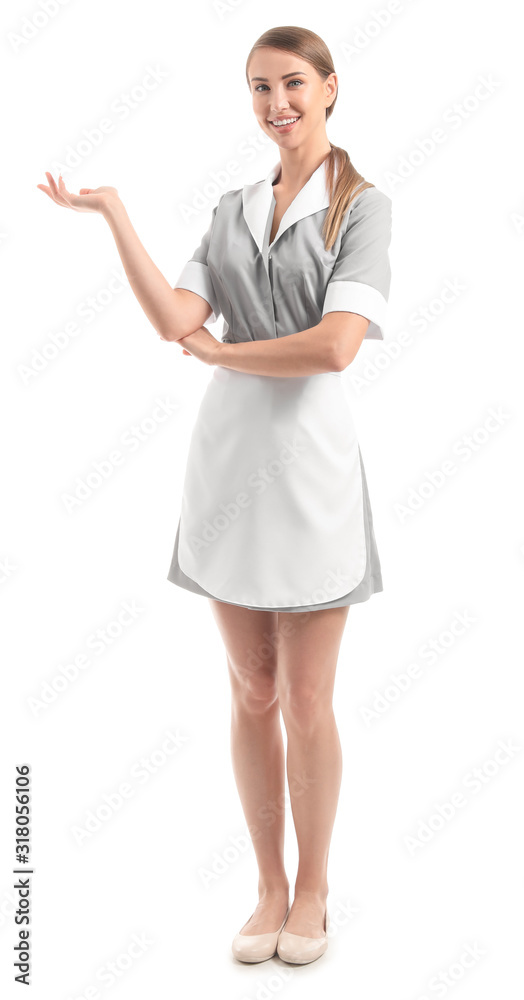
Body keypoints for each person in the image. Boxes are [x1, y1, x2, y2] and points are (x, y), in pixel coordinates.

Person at [37, 24, 392, 967]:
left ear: (328, 88)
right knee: (252, 688)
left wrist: (228, 355)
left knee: (309, 700)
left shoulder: (362, 207)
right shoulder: (232, 209)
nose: (276, 103)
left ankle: (314, 887)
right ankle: (268, 885)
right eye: (258, 88)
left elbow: (336, 345)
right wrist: (115, 214)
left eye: (291, 84)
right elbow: (176, 321)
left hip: (313, 470)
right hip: (228, 468)